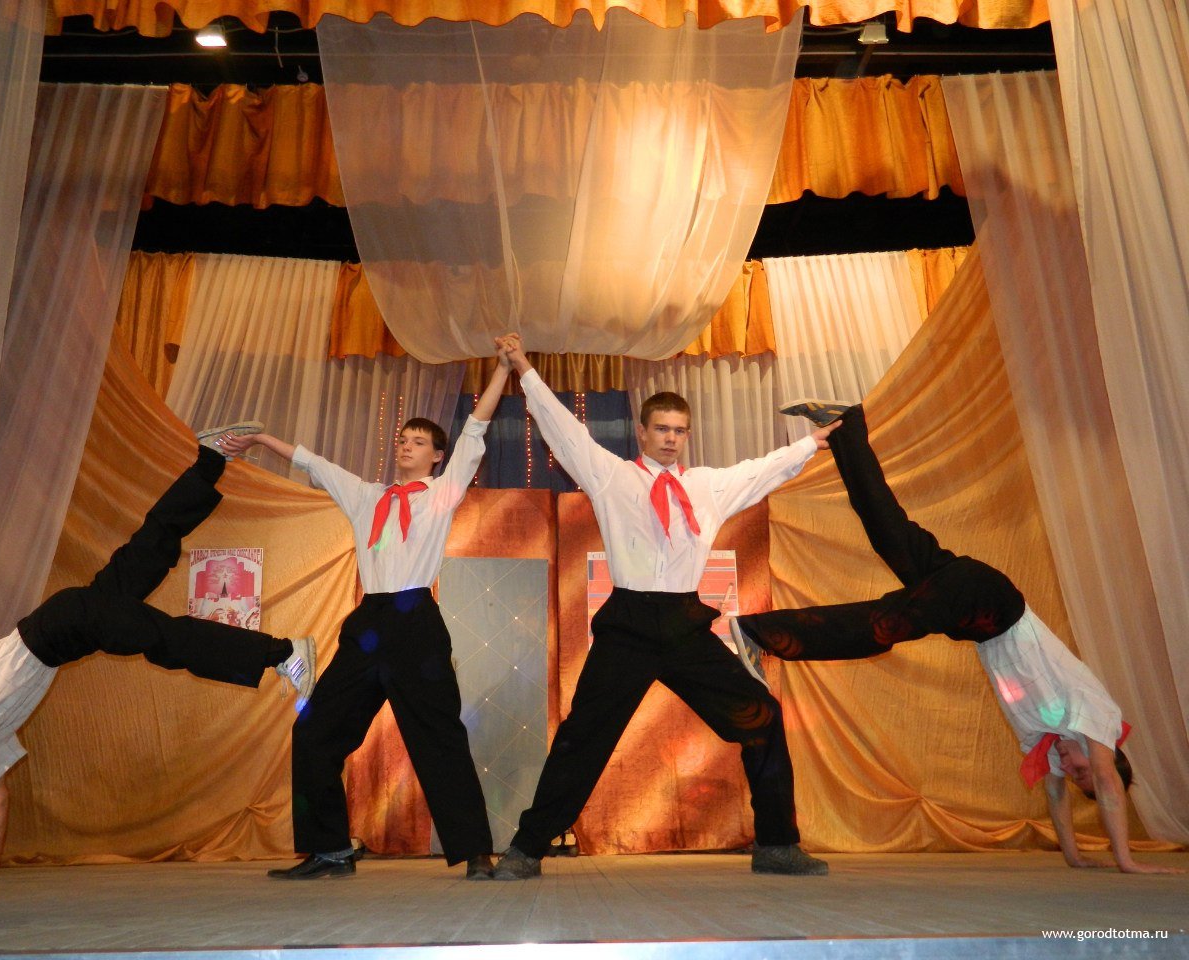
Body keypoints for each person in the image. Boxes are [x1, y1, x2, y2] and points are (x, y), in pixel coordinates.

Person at [730, 400, 1181, 875]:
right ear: (1104, 753)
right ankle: (758, 631)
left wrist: (1074, 856)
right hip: (989, 603)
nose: (1070, 769)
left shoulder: (1050, 736)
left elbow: (1055, 794)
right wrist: (1126, 861)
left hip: (971, 611)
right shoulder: (1096, 717)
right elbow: (1109, 783)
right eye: (1082, 770)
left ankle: (845, 427)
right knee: (884, 627)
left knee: (886, 528)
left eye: (1075, 777)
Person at [491, 334, 838, 881]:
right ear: (643, 432)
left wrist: (811, 443)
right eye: (662, 429)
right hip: (628, 625)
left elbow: (763, 469)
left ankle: (777, 844)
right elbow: (564, 430)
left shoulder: (707, 486)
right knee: (584, 737)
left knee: (762, 716)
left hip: (683, 625)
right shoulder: (612, 476)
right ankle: (526, 849)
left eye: (679, 431)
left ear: (687, 435)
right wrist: (523, 369)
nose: (671, 439)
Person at [0, 431, 317, 889]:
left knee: (168, 641)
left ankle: (283, 652)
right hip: (70, 624)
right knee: (152, 545)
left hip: (65, 626)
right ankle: (210, 459)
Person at [222, 352, 513, 882]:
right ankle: (330, 850)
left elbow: (476, 427)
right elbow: (313, 463)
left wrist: (502, 370)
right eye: (402, 439)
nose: (406, 446)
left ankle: (475, 850)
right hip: (369, 624)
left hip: (415, 619)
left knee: (439, 737)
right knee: (314, 732)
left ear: (437, 457)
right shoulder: (367, 497)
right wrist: (261, 440)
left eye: (418, 441)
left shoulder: (441, 494)